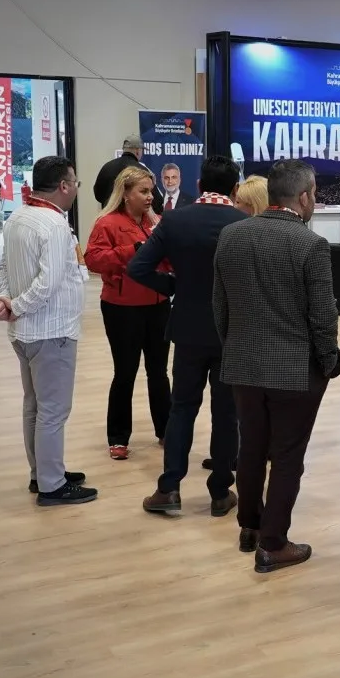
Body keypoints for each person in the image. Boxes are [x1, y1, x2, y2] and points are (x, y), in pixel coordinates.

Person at [213, 159, 340, 572]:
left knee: (250, 448)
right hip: (295, 371)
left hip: (243, 364)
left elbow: (220, 306)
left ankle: (249, 526)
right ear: (303, 196)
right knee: (287, 457)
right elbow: (323, 316)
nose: (314, 200)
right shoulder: (310, 244)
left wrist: (234, 347)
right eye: (315, 193)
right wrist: (330, 362)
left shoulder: (231, 235)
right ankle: (273, 543)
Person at [132, 155, 249, 518]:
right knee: (227, 413)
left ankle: (169, 488)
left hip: (186, 329)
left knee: (182, 408)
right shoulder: (244, 224)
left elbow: (137, 266)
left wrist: (171, 285)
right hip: (231, 332)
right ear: (234, 189)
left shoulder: (176, 219)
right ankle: (219, 492)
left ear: (198, 185)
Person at [0, 156, 94, 507]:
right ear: (64, 186)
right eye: (75, 183)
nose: (77, 189)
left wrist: (6, 300)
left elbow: (4, 266)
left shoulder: (18, 217)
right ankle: (52, 485)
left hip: (25, 332)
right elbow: (48, 283)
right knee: (52, 410)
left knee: (35, 406)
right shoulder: (52, 224)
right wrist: (16, 305)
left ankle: (43, 472)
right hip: (51, 331)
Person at [85, 165, 171, 461]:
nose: (150, 197)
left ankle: (166, 431)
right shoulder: (106, 223)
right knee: (125, 373)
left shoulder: (157, 222)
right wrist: (134, 250)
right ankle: (118, 437)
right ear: (125, 194)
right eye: (144, 191)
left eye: (151, 191)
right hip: (121, 309)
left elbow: (168, 260)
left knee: (159, 373)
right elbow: (93, 260)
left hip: (158, 305)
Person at [92, 135, 162, 213]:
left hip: (109, 217)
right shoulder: (141, 171)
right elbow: (157, 202)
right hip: (132, 220)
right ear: (138, 151)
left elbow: (98, 195)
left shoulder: (106, 167)